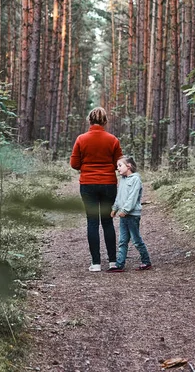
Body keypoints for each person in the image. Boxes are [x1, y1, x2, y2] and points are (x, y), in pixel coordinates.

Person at [70, 107, 123, 272]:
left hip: (88, 184)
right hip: (108, 184)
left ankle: (96, 263)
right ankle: (113, 262)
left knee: (92, 222)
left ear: (89, 120)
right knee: (107, 221)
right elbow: (119, 164)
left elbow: (74, 164)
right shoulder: (113, 139)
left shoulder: (81, 139)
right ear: (105, 121)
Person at [107, 155, 152, 272]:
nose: (118, 168)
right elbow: (119, 196)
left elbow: (132, 197)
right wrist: (115, 208)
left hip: (132, 215)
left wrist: (125, 210)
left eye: (120, 165)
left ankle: (146, 261)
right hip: (123, 215)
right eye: (117, 166)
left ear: (129, 166)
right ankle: (119, 264)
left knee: (136, 240)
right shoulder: (122, 180)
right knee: (122, 241)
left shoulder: (136, 179)